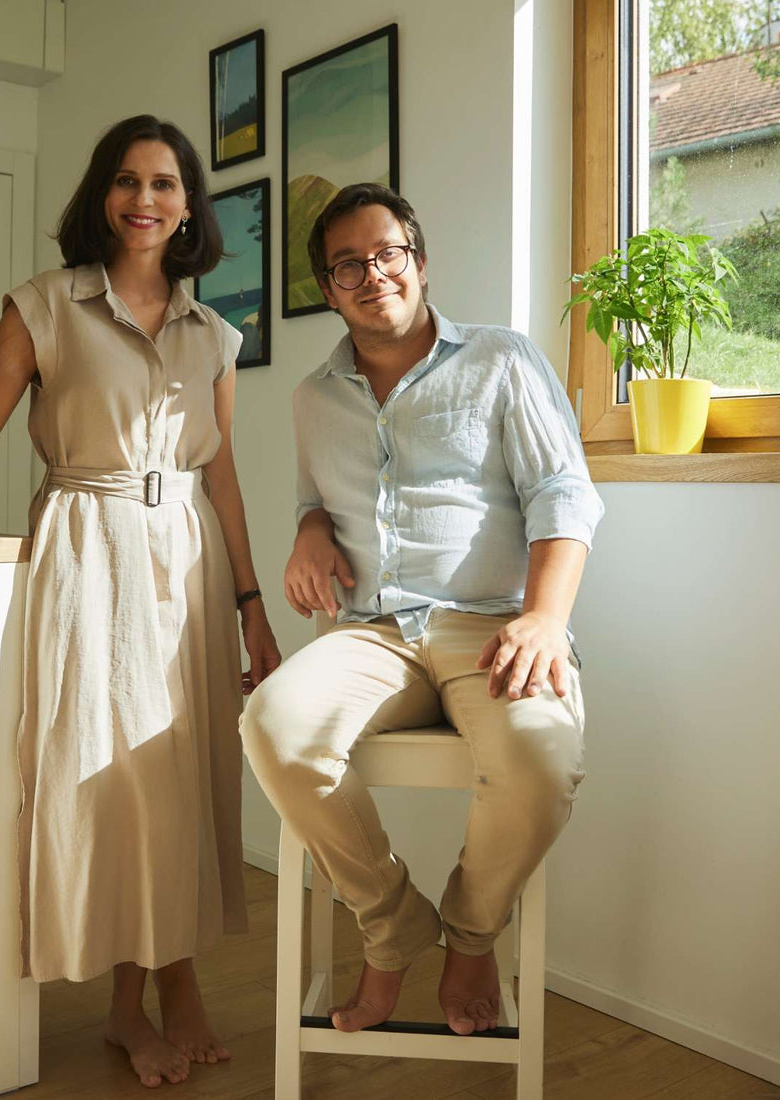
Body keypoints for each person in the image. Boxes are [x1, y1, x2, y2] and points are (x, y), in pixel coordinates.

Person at [0, 114, 281, 1088]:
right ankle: (147, 995)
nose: (144, 198)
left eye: (164, 183)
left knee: (180, 774)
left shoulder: (214, 335)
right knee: (112, 778)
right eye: (127, 181)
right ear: (99, 198)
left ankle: (158, 990)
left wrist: (249, 599)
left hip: (188, 554)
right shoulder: (45, 306)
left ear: (189, 204)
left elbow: (224, 475)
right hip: (89, 545)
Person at [240, 183, 603, 1037]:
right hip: (375, 633)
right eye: (347, 265)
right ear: (327, 290)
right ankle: (393, 927)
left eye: (387, 253)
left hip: (493, 628)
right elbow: (313, 497)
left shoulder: (502, 361)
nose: (372, 274)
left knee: (543, 760)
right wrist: (307, 530)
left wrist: (546, 619)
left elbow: (564, 493)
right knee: (273, 724)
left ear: (420, 261)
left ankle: (472, 933)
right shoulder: (311, 397)